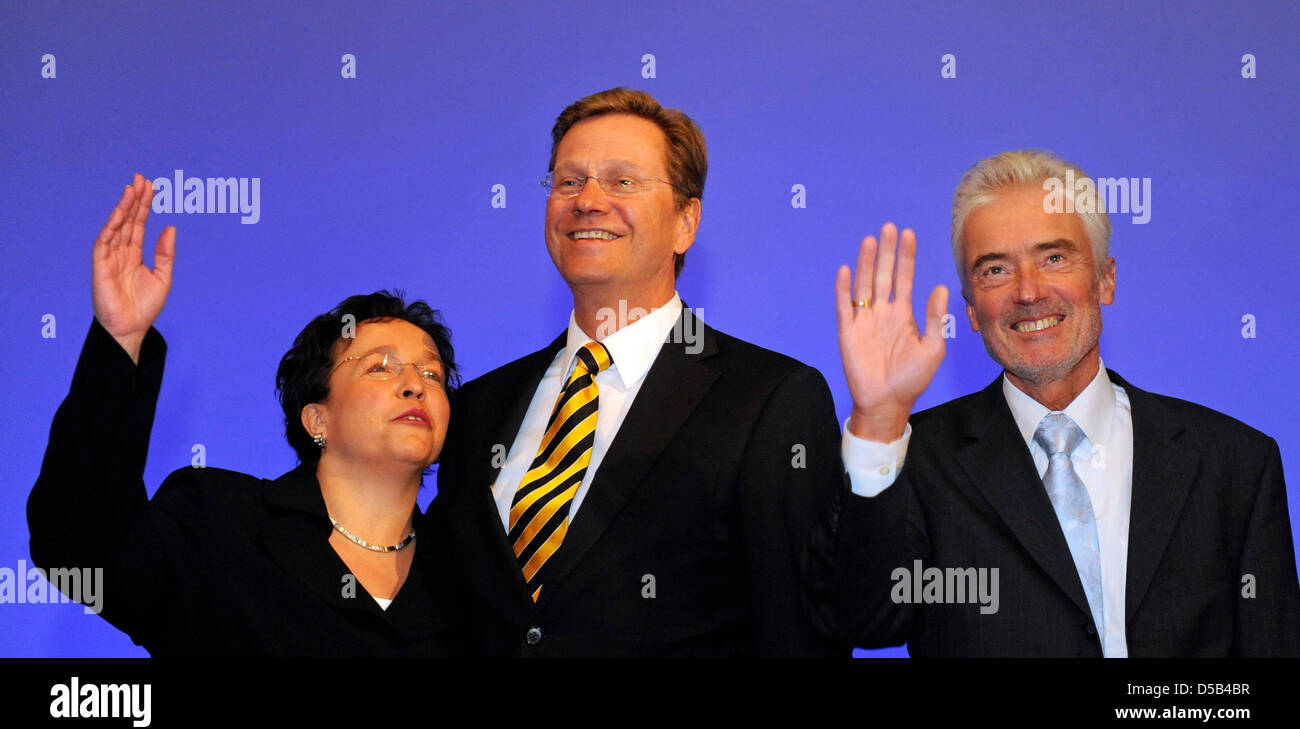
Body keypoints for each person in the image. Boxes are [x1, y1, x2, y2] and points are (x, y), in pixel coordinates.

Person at [808, 149, 1300, 656]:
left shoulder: (1234, 463)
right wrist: (879, 422)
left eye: (1054, 258)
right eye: (995, 269)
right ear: (972, 310)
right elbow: (859, 621)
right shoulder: (918, 462)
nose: (1028, 292)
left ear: (1105, 279)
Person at [434, 88, 846, 656]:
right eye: (569, 181)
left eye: (623, 181)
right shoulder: (479, 406)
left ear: (686, 222)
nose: (588, 201)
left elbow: (799, 633)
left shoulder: (770, 399)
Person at [28, 174, 467, 655]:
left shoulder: (471, 578)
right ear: (316, 418)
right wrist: (120, 341)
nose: (414, 384)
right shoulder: (219, 524)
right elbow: (83, 547)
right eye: (379, 368)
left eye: (431, 374)